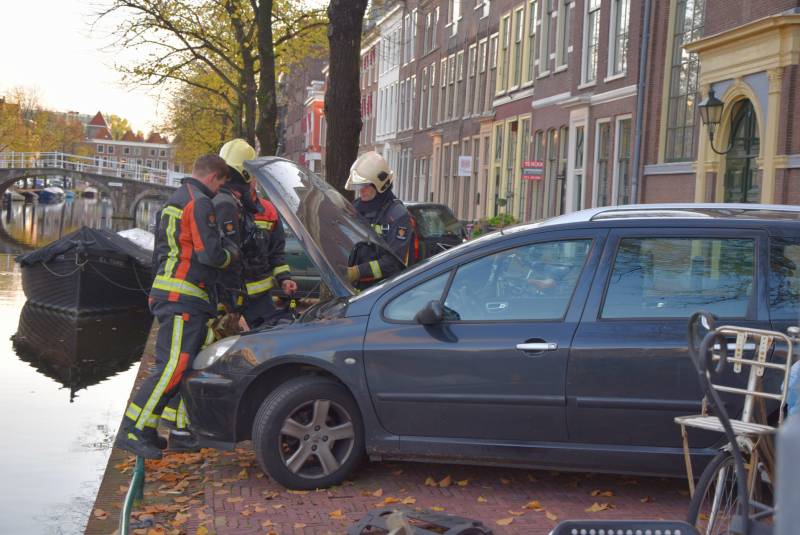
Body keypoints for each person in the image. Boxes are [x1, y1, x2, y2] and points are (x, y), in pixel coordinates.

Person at [115, 154, 237, 459]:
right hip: (184, 296)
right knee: (174, 365)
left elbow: (162, 251)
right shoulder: (200, 203)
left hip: (172, 292)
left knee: (192, 359)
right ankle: (133, 429)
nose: (221, 189)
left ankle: (179, 429)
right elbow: (210, 255)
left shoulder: (175, 199)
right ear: (213, 177)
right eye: (221, 182)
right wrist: (232, 253)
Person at [345, 151, 415, 289]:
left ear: (380, 184)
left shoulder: (398, 216)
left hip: (384, 292)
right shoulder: (356, 208)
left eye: (365, 185)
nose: (361, 190)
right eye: (359, 185)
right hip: (353, 289)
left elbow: (393, 263)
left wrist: (357, 272)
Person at [242, 179, 297, 328]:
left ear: (253, 181)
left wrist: (284, 279)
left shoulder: (268, 210)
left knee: (264, 341)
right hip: (229, 295)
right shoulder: (224, 206)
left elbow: (276, 252)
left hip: (260, 297)